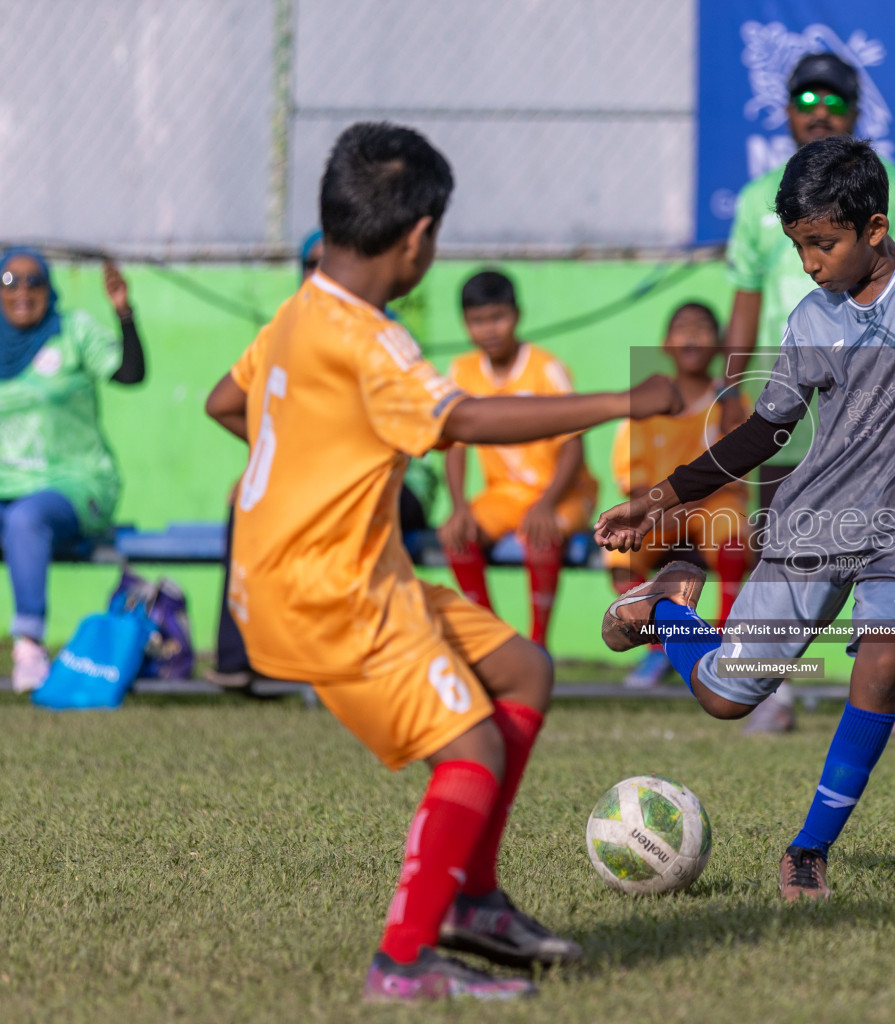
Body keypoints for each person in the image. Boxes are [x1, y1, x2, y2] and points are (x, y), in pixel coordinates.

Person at [203, 122, 682, 1001]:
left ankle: (477, 899)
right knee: (471, 749)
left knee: (525, 672)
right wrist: (623, 399)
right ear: (419, 237)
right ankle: (404, 960)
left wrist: (316, 471)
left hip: (333, 571)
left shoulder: (299, 311)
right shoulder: (372, 340)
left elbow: (225, 401)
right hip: (332, 592)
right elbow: (460, 420)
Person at [594, 137, 895, 901]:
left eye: (823, 243)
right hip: (811, 527)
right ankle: (663, 609)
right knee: (726, 696)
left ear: (874, 228)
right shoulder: (813, 316)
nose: (811, 262)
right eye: (798, 246)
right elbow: (763, 431)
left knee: (883, 668)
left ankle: (808, 849)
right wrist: (659, 501)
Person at [724, 51, 895, 734]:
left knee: (885, 542)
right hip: (789, 403)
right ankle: (778, 690)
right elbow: (744, 299)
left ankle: (886, 692)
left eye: (834, 104)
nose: (819, 115)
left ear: (855, 115)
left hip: (875, 401)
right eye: (805, 102)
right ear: (786, 114)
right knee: (784, 541)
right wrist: (736, 398)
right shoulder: (761, 202)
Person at [208, 230, 436, 687]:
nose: (317, 274)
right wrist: (272, 466)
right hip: (322, 482)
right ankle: (242, 658)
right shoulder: (287, 329)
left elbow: (416, 435)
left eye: (325, 263)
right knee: (247, 498)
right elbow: (224, 405)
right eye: (310, 265)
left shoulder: (380, 335)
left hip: (396, 481)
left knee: (333, 513)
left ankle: (341, 658)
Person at [1, 247, 145, 691]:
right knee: (17, 515)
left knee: (27, 518)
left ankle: (29, 646)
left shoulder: (72, 332)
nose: (23, 292)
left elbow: (130, 373)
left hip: (77, 486)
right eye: (10, 282)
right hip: (9, 487)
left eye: (34, 281)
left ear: (49, 288)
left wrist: (124, 313)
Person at [436, 270, 597, 649]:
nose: (489, 329)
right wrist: (459, 507)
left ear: (517, 315)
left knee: (540, 536)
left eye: (498, 318)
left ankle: (538, 646)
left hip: (562, 493)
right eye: (477, 321)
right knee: (457, 536)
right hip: (505, 495)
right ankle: (493, 642)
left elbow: (573, 445)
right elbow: (454, 446)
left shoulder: (546, 368)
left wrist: (547, 503)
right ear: (465, 323)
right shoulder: (462, 371)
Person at [607, 301, 751, 689]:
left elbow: (737, 474)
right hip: (659, 510)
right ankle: (658, 648)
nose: (692, 334)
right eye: (682, 327)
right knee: (620, 550)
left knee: (734, 542)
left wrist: (685, 506)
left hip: (711, 506)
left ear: (720, 347)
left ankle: (725, 643)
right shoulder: (646, 401)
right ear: (666, 345)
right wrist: (662, 508)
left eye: (703, 327)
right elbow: (632, 478)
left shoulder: (731, 402)